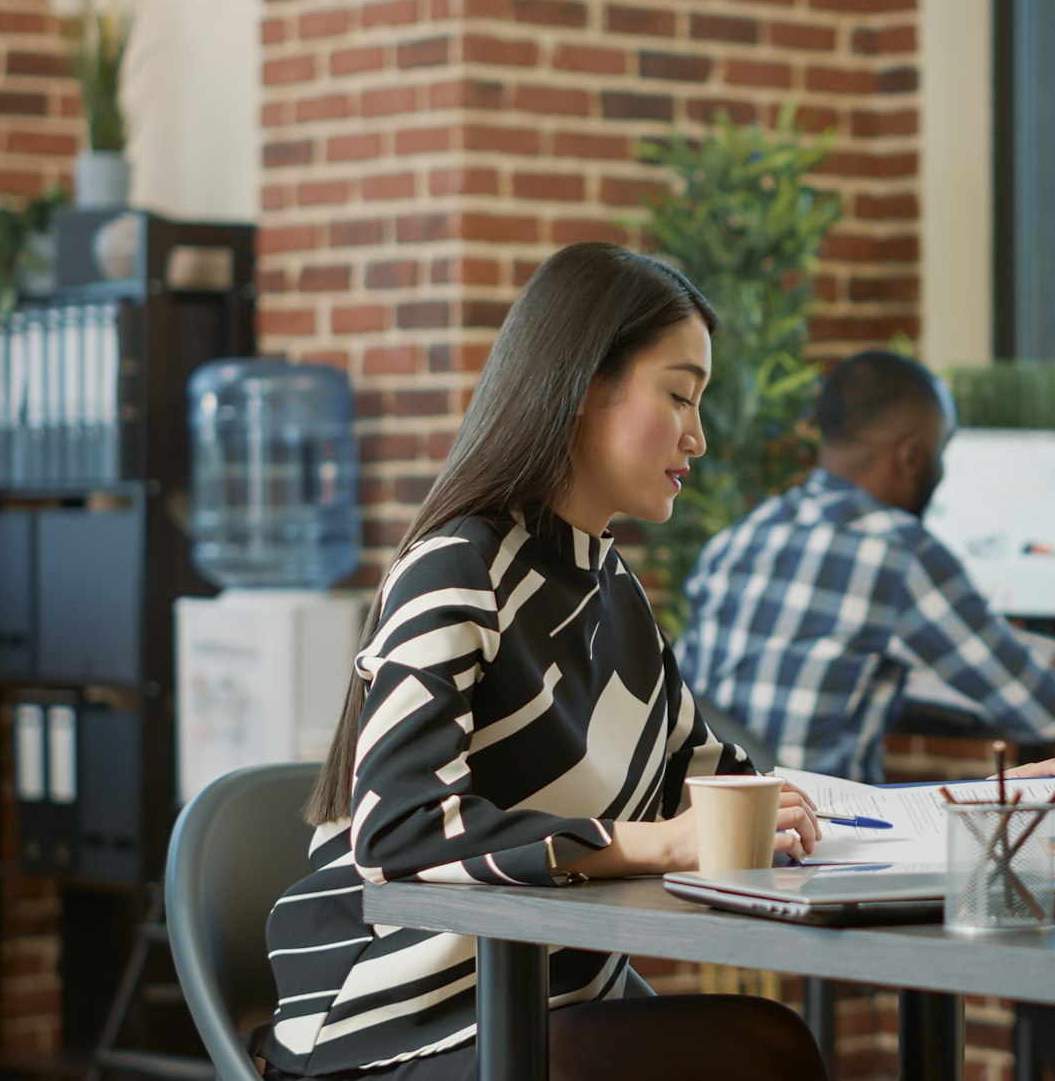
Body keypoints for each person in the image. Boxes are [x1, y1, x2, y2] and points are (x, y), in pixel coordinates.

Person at [259, 244, 843, 1081]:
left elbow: (732, 791)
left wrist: (965, 810)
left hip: (547, 1004)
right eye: (679, 394)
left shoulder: (612, 591)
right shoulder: (455, 565)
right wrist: (652, 846)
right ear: (581, 387)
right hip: (386, 1027)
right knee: (763, 1054)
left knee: (768, 1047)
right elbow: (399, 828)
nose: (699, 436)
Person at [677, 350, 1055, 784]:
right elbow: (1045, 713)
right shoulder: (901, 553)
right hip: (818, 833)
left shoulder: (737, 538)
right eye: (943, 451)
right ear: (913, 456)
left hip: (711, 829)